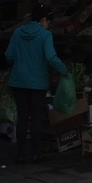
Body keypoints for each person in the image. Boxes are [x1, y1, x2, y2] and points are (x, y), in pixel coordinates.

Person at [5, 11, 68, 164]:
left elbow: (9, 55)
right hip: (37, 82)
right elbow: (51, 57)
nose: (49, 25)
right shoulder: (45, 35)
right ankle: (35, 153)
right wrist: (64, 70)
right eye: (48, 21)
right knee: (35, 118)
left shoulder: (18, 32)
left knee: (22, 118)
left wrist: (17, 66)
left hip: (18, 81)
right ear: (43, 19)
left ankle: (20, 154)